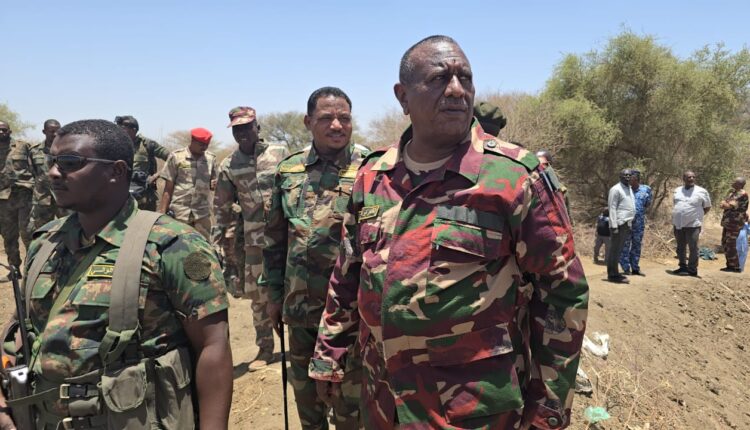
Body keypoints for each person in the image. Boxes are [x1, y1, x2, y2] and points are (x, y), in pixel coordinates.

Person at [309, 35, 589, 429]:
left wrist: (549, 407)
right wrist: (330, 353)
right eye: (440, 78)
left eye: (465, 78)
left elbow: (562, 292)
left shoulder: (516, 177)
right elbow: (347, 273)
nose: (457, 90)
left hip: (473, 409)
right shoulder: (372, 176)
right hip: (383, 401)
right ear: (403, 97)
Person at [0, 119, 232, 429]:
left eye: (70, 162)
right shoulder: (45, 242)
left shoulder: (173, 245)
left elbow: (212, 346)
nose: (53, 172)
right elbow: (21, 331)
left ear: (117, 171)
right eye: (52, 161)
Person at [263, 87, 365, 429]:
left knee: (351, 412)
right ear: (308, 122)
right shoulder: (288, 170)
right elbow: (275, 240)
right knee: (309, 408)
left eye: (344, 118)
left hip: (352, 316)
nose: (337, 125)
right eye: (326, 118)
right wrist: (273, 295)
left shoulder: (370, 168)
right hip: (301, 310)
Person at [213, 106, 289, 370]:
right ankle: (265, 349)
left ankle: (302, 345)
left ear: (258, 127)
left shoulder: (280, 153)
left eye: (247, 127)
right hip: (254, 242)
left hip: (288, 236)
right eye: (237, 129)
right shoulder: (229, 165)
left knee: (297, 289)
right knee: (258, 298)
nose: (242, 133)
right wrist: (217, 241)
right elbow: (221, 206)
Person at [159, 127, 218, 239]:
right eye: (201, 144)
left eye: (206, 145)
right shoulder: (176, 157)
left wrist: (215, 184)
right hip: (179, 213)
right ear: (193, 141)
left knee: (203, 246)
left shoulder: (211, 159)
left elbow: (214, 183)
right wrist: (162, 214)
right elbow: (168, 189)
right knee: (177, 245)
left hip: (202, 215)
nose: (204, 147)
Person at [114, 115, 169, 210]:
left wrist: (157, 175)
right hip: (120, 195)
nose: (120, 131)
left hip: (145, 196)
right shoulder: (115, 145)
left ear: (134, 130)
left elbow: (172, 158)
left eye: (123, 128)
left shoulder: (147, 144)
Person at [0, 121, 34, 271]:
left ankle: (32, 269)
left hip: (24, 197)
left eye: (4, 130)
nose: (1, 132)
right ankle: (14, 270)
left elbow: (35, 167)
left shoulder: (23, 146)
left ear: (10, 131)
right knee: (9, 236)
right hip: (3, 200)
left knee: (28, 234)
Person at [28, 119, 68, 235]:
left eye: (58, 131)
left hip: (64, 196)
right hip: (42, 198)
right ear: (44, 132)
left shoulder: (68, 150)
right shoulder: (34, 151)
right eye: (51, 131)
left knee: (69, 228)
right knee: (40, 231)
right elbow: (32, 172)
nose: (55, 134)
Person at [671, 170, 711, 276]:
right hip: (678, 224)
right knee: (680, 247)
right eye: (689, 177)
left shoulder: (702, 191)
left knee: (693, 247)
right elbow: (676, 204)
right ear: (684, 178)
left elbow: (707, 207)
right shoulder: (677, 190)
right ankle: (682, 267)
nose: (692, 179)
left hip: (693, 225)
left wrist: (696, 216)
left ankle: (692, 269)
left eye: (693, 177)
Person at [619, 170, 652, 276]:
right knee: (625, 245)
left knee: (637, 245)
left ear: (637, 179)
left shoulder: (646, 189)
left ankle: (635, 268)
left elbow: (647, 204)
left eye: (631, 178)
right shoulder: (624, 190)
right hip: (626, 222)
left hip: (639, 223)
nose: (629, 180)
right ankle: (626, 268)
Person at [606, 169, 635, 283]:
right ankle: (612, 275)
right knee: (614, 250)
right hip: (618, 224)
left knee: (618, 250)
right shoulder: (616, 189)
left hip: (626, 223)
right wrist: (614, 226)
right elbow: (612, 207)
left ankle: (615, 273)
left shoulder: (629, 188)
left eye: (629, 175)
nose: (627, 177)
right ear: (620, 176)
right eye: (625, 175)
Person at [719, 176, 748, 272]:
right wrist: (725, 204)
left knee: (731, 244)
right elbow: (723, 204)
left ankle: (735, 266)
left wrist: (725, 204)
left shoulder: (742, 194)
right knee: (725, 243)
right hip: (728, 222)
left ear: (739, 184)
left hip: (735, 223)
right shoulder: (733, 193)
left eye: (734, 182)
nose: (732, 183)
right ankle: (730, 265)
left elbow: (727, 205)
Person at [536, 149, 572, 222]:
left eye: (544, 164)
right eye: (538, 165)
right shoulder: (530, 186)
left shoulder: (561, 190)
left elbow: (567, 215)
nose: (541, 168)